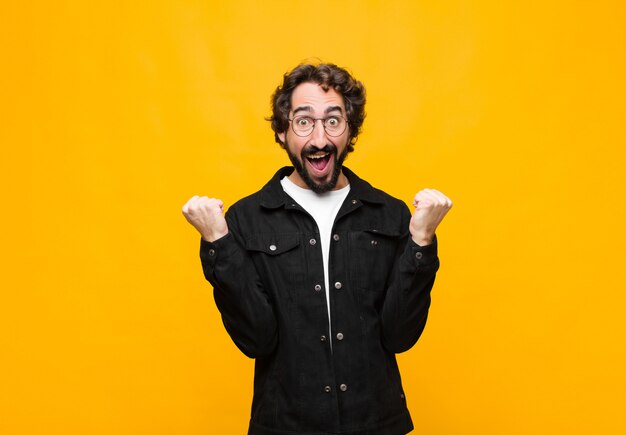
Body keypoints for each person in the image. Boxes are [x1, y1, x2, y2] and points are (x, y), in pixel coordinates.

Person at [182, 63, 452, 435]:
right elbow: (257, 339)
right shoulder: (244, 220)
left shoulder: (390, 215)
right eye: (303, 121)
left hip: (376, 423)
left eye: (333, 120)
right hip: (285, 425)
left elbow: (399, 336)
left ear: (350, 129)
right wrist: (218, 244)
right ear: (281, 131)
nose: (320, 138)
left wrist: (421, 242)